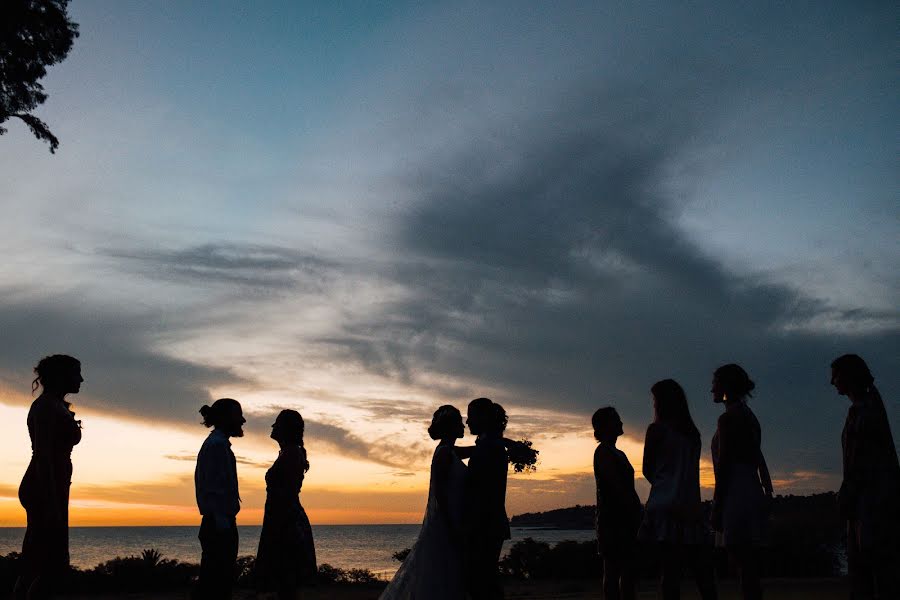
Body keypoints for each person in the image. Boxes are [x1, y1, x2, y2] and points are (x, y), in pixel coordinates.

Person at [639, 380, 717, 600]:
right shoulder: (693, 434)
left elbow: (648, 469)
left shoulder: (656, 430)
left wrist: (665, 483)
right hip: (689, 504)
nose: (653, 405)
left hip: (664, 505)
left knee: (670, 574)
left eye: (655, 400)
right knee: (703, 573)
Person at [380, 405, 467, 599]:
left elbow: (466, 451)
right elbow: (441, 495)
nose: (464, 426)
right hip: (446, 523)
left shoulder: (448, 451)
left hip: (448, 521)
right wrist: (452, 525)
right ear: (450, 427)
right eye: (459, 422)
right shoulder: (444, 453)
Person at [831, 354, 899, 599]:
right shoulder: (869, 408)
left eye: (836, 376)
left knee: (871, 571)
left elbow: (858, 461)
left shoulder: (865, 413)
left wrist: (847, 495)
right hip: (869, 502)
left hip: (871, 504)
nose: (832, 382)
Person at [15, 355, 83, 600]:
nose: (81, 379)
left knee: (44, 558)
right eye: (77, 373)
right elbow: (43, 456)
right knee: (44, 560)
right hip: (43, 487)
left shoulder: (55, 405)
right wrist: (52, 500)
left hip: (53, 487)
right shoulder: (45, 406)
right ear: (61, 376)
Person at [710, 364, 772, 600]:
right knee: (749, 568)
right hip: (751, 490)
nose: (711, 389)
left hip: (736, 495)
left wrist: (717, 505)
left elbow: (724, 466)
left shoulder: (727, 419)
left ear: (725, 386)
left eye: (715, 383)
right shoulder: (749, 416)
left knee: (742, 565)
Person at [255, 410, 317, 599]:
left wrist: (278, 525)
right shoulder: (289, 452)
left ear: (286, 429)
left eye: (277, 423)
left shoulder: (291, 453)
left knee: (286, 576)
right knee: (285, 580)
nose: (273, 427)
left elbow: (286, 493)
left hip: (285, 520)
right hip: (283, 517)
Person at [193, 398, 245, 600]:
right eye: (237, 415)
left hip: (219, 523)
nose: (242, 420)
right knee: (216, 586)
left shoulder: (218, 444)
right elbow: (213, 489)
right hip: (219, 524)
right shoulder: (216, 446)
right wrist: (223, 524)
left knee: (215, 584)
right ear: (225, 418)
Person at [463, 398, 511, 600]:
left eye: (471, 416)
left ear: (482, 418)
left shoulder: (489, 447)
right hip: (488, 522)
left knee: (482, 583)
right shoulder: (489, 444)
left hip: (485, 523)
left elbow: (481, 489)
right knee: (485, 581)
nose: (467, 422)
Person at [592, 407, 641, 600]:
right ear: (606, 426)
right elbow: (617, 488)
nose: (621, 423)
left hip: (625, 519)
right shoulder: (603, 451)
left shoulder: (617, 452)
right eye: (616, 420)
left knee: (628, 572)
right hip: (613, 521)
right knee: (613, 572)